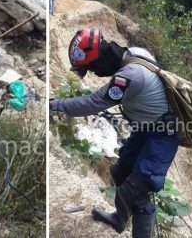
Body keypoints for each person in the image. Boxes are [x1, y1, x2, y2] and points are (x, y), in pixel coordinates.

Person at [50, 28, 179, 237]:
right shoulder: (133, 54)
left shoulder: (129, 75)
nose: (95, 73)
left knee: (135, 190)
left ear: (99, 58)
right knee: (120, 171)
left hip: (162, 135)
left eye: (91, 68)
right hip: (145, 128)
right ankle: (120, 218)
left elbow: (92, 103)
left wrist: (56, 105)